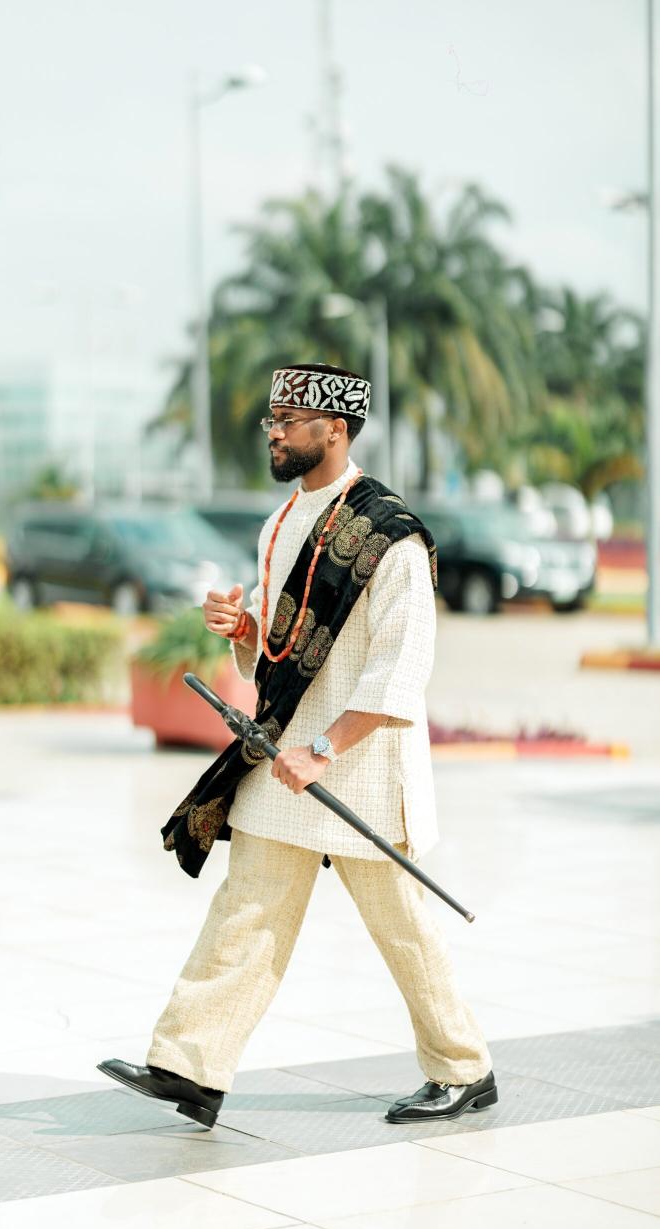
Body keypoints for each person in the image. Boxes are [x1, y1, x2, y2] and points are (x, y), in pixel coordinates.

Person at [98, 362, 496, 1130]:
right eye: (271, 421)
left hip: (363, 768)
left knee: (402, 927)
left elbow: (401, 666)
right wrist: (244, 630)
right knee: (246, 910)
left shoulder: (392, 535)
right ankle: (191, 1067)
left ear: (335, 429)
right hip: (283, 761)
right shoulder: (279, 524)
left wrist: (324, 748)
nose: (274, 434)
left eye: (288, 421)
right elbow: (280, 653)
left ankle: (464, 1069)